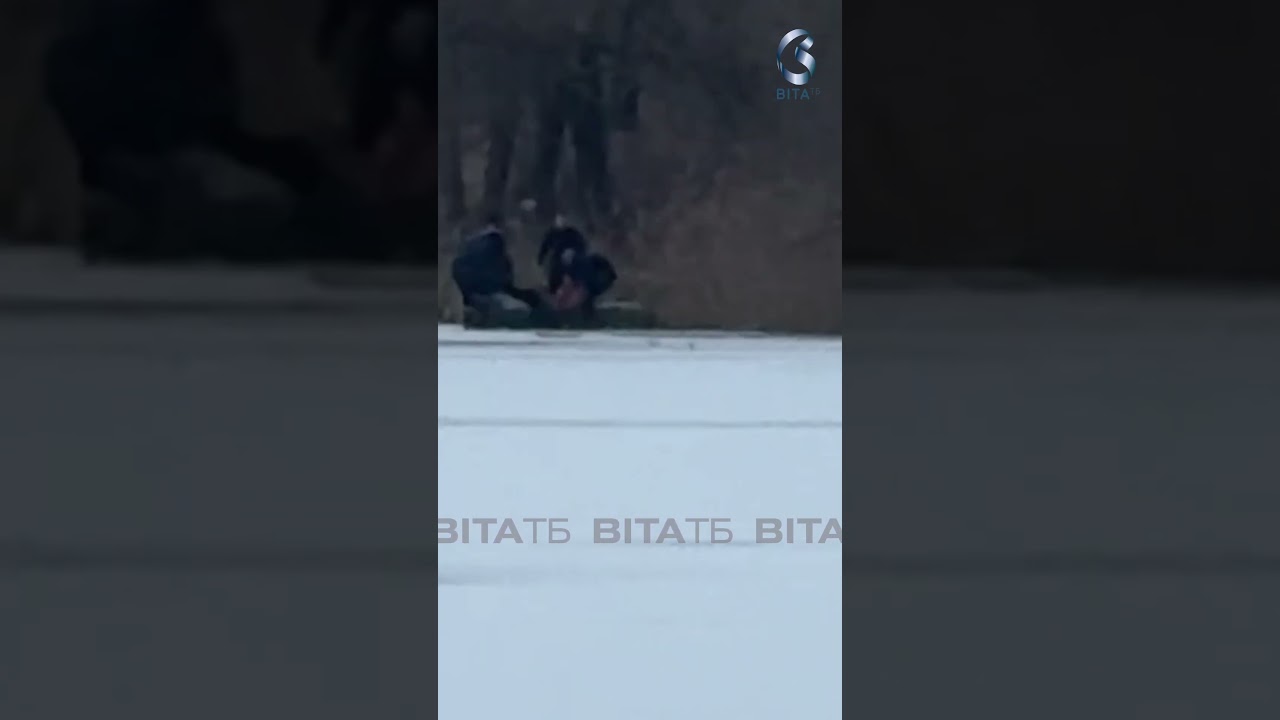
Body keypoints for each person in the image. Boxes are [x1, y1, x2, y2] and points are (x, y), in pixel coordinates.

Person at [450, 214, 542, 314]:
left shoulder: (472, 242)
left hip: (471, 287)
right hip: (488, 288)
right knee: (522, 303)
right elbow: (498, 270)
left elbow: (459, 264)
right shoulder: (495, 242)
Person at [537, 215, 588, 293]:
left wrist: (578, 254)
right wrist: (540, 258)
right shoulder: (552, 233)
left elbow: (582, 245)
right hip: (558, 258)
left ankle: (572, 289)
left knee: (572, 276)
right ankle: (553, 290)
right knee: (555, 274)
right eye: (559, 221)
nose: (561, 224)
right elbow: (545, 245)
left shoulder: (573, 233)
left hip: (572, 258)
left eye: (563, 221)